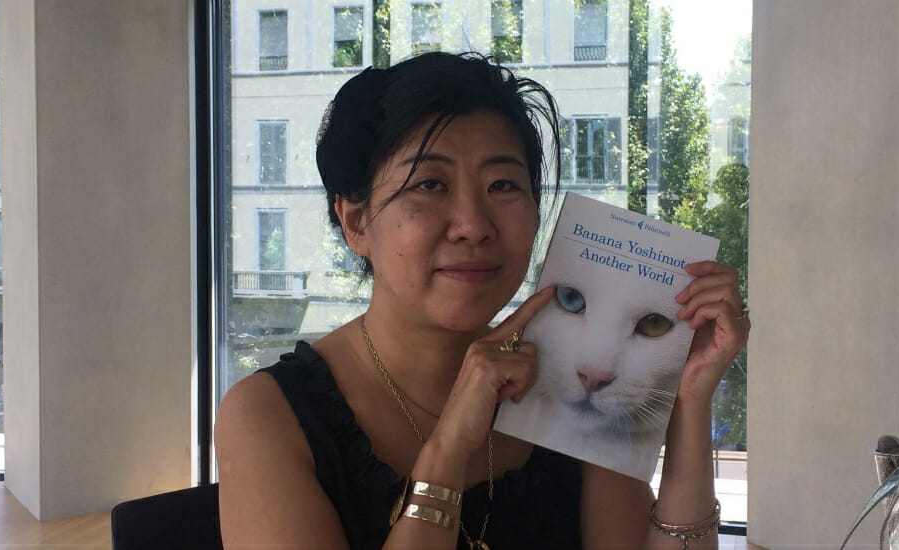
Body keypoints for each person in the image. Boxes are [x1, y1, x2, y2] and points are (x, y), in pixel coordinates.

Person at [215, 52, 750, 550]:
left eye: (502, 186)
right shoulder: (267, 414)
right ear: (356, 223)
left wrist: (688, 402)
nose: (473, 225)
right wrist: (448, 450)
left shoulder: (570, 375)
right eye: (429, 184)